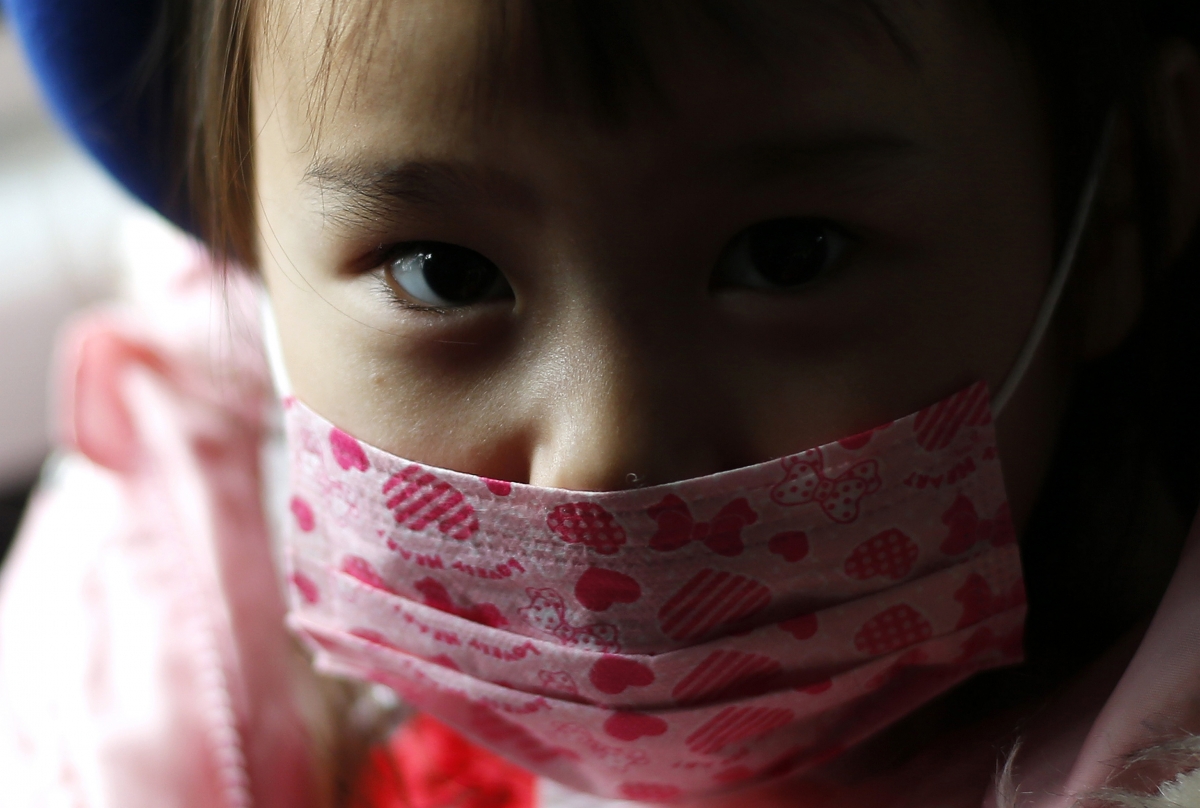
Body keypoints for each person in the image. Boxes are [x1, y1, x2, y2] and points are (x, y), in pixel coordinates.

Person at [2, 1, 1200, 806]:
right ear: (253, 256)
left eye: (789, 255)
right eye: (445, 273)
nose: (604, 454)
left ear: (1113, 220)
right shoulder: (152, 703)